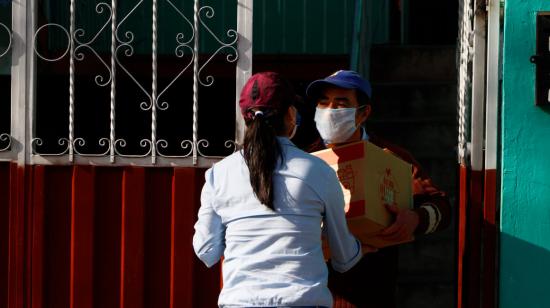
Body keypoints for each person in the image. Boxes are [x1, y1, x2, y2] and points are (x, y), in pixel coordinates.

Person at [193, 72, 366, 308]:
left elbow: (206, 251)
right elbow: (344, 258)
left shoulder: (218, 174)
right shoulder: (319, 171)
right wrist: (365, 241)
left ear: (246, 119)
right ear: (291, 114)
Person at [305, 70, 451, 308]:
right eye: (323, 102)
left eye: (341, 104)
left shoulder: (391, 159)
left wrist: (416, 218)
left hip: (370, 291)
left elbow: (442, 207)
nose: (330, 111)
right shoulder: (305, 159)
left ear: (363, 113)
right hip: (316, 292)